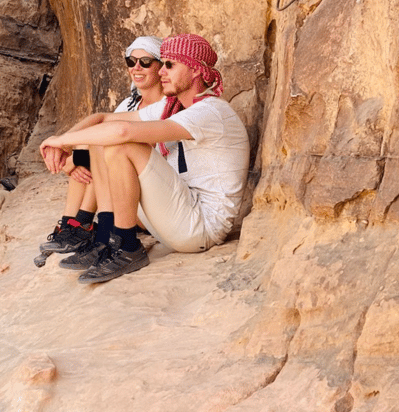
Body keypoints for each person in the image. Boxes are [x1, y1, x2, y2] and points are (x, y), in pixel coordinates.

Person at [39, 33, 250, 284]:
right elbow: (104, 119)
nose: (162, 72)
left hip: (200, 227)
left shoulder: (210, 111)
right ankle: (106, 236)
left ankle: (126, 246)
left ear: (195, 70)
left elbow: (123, 132)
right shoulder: (172, 107)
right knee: (101, 144)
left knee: (122, 146)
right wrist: (65, 140)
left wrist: (61, 143)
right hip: (175, 216)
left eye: (170, 65)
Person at [34, 36, 165, 268]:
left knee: (100, 151)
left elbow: (131, 148)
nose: (136, 67)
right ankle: (70, 226)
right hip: (126, 196)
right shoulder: (130, 106)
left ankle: (85, 225)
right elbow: (98, 123)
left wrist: (75, 157)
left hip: (146, 193)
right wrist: (67, 152)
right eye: (131, 61)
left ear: (160, 65)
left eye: (145, 61)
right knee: (92, 149)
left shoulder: (167, 107)